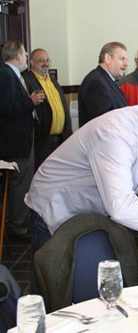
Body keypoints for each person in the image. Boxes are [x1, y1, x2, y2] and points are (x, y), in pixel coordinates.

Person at [25, 104, 138, 252]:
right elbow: (121, 206)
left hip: (94, 207)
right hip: (57, 204)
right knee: (55, 278)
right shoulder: (116, 139)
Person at [0, 41, 44, 241]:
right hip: (15, 142)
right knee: (19, 183)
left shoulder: (11, 75)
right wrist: (30, 101)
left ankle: (20, 222)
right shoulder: (6, 75)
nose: (26, 57)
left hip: (21, 139)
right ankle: (17, 227)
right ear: (18, 55)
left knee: (24, 182)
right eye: (25, 53)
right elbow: (6, 107)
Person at [23, 48, 73, 170]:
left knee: (59, 173)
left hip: (60, 139)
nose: (45, 64)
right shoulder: (26, 80)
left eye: (47, 60)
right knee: (42, 174)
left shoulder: (52, 80)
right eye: (41, 60)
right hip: (42, 140)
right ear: (31, 62)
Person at [78, 42, 128, 127]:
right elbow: (104, 122)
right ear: (108, 58)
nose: (126, 64)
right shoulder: (96, 83)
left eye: (126, 59)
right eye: (122, 59)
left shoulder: (106, 80)